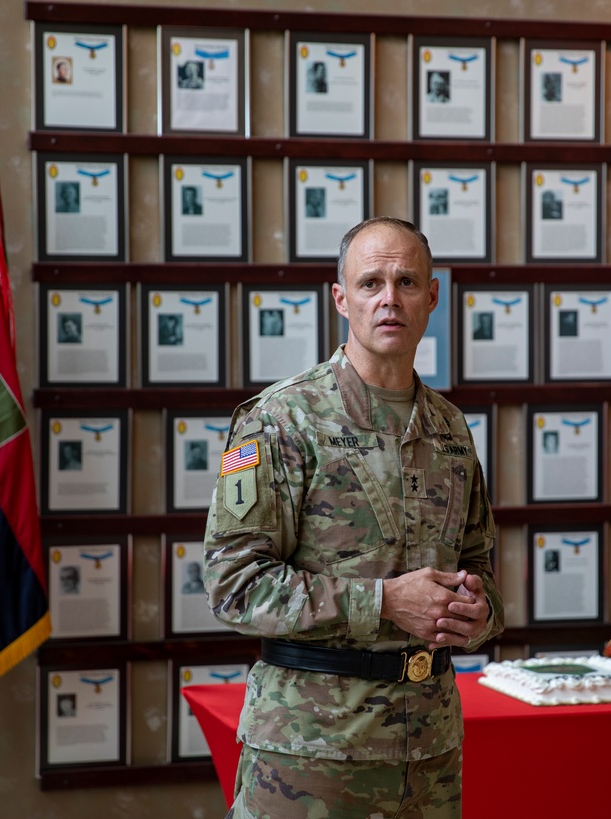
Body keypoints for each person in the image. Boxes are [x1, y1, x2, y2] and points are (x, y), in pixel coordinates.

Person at [203, 216, 503, 818]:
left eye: (407, 282)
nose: (389, 298)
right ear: (341, 299)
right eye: (370, 283)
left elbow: (478, 563)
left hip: (430, 752)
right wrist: (385, 602)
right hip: (312, 753)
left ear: (432, 296)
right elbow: (234, 586)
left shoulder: (450, 428)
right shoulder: (280, 421)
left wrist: (481, 612)